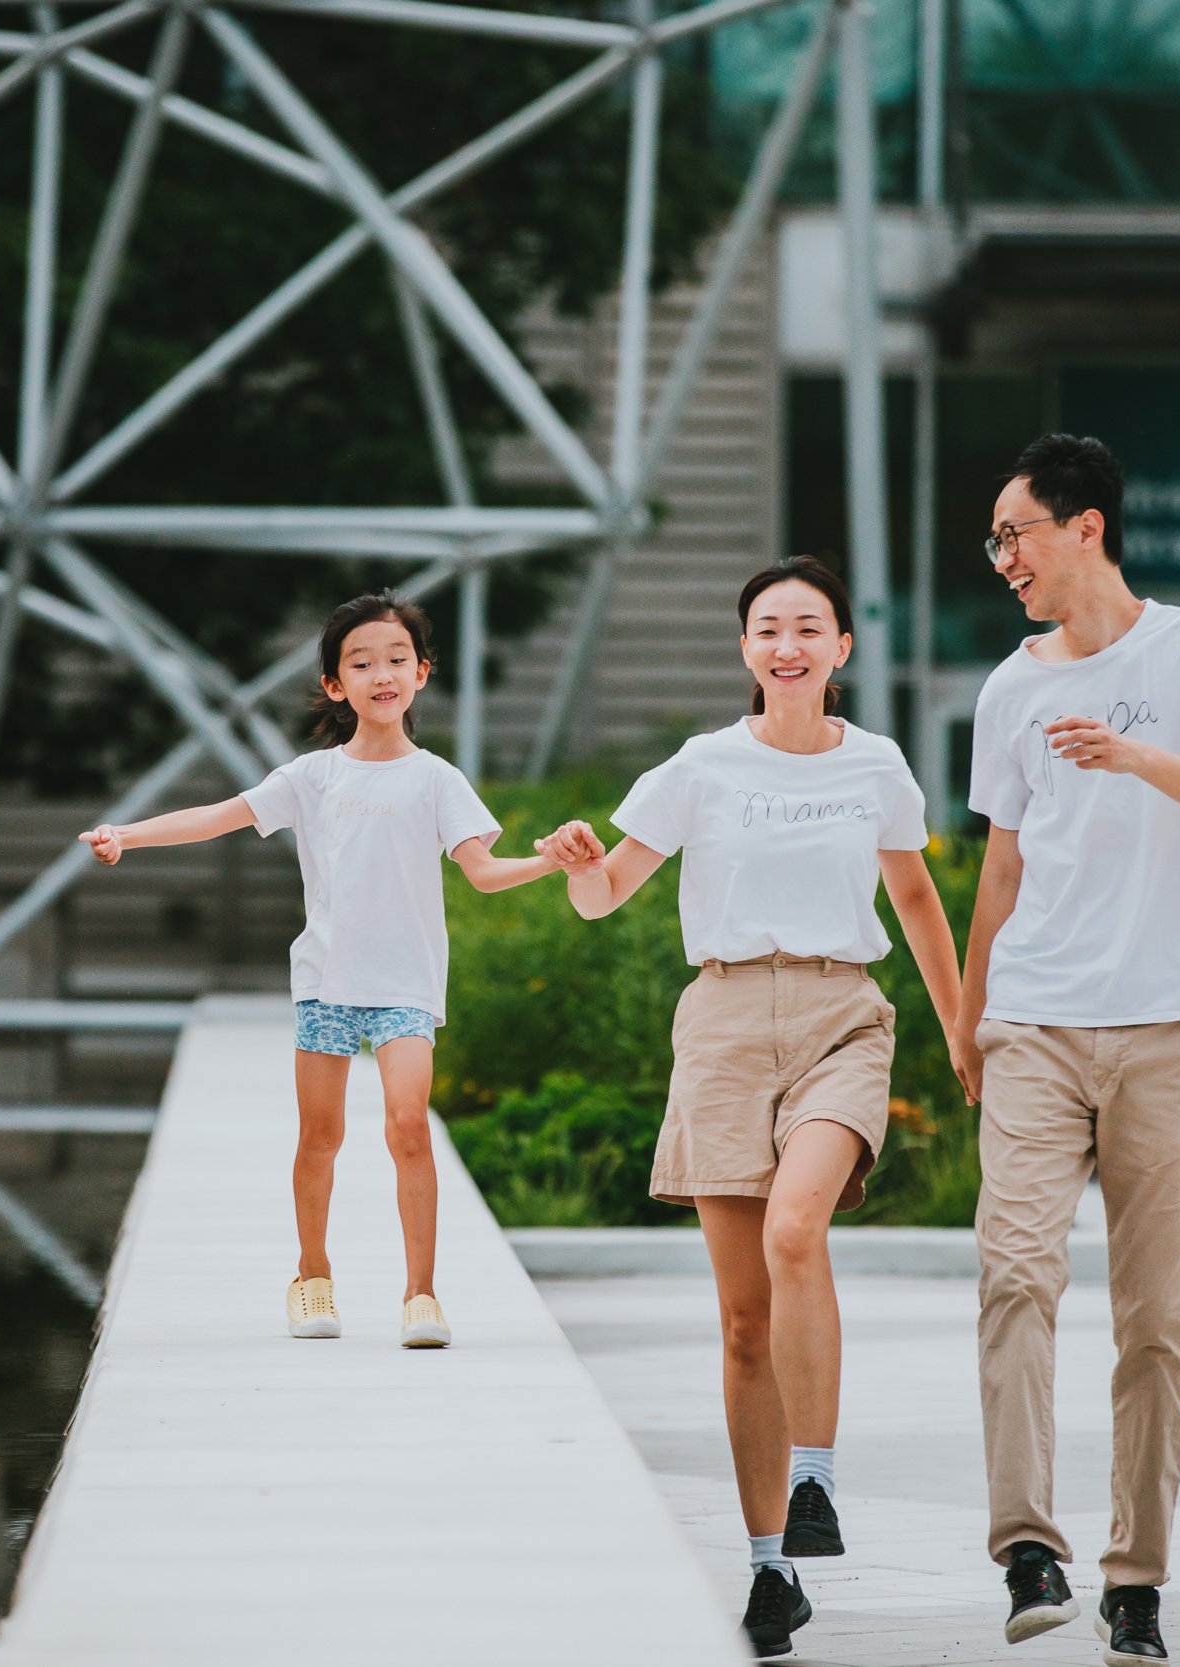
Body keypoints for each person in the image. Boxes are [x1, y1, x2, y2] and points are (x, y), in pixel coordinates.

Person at [537, 558, 968, 1659]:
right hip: (723, 1025)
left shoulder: (874, 762)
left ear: (840, 649)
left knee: (795, 1228)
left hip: (839, 1014)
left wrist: (962, 1027)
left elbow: (914, 896)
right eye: (768, 627)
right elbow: (602, 895)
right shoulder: (698, 766)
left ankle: (816, 1480)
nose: (788, 643)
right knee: (739, 1325)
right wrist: (577, 860)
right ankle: (770, 1564)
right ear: (746, 649)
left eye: (808, 626)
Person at [951, 434, 1180, 1667]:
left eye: (1014, 533)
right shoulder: (1008, 688)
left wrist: (1127, 750)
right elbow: (999, 866)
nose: (1003, 560)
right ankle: (1028, 1548)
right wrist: (970, 1020)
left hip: (1174, 1025)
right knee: (1014, 1276)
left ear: (1084, 526)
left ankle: (1133, 1578)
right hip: (1035, 1019)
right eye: (996, 541)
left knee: (1154, 1320)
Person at [81, 590, 568, 1349]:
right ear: (336, 686)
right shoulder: (312, 777)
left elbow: (482, 870)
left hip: (405, 984)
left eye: (397, 659)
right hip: (326, 982)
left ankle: (421, 1295)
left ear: (422, 674)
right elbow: (217, 817)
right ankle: (312, 1275)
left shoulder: (437, 778)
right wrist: (126, 835)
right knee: (322, 1136)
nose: (383, 673)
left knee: (409, 1126)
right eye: (362, 662)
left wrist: (547, 860)